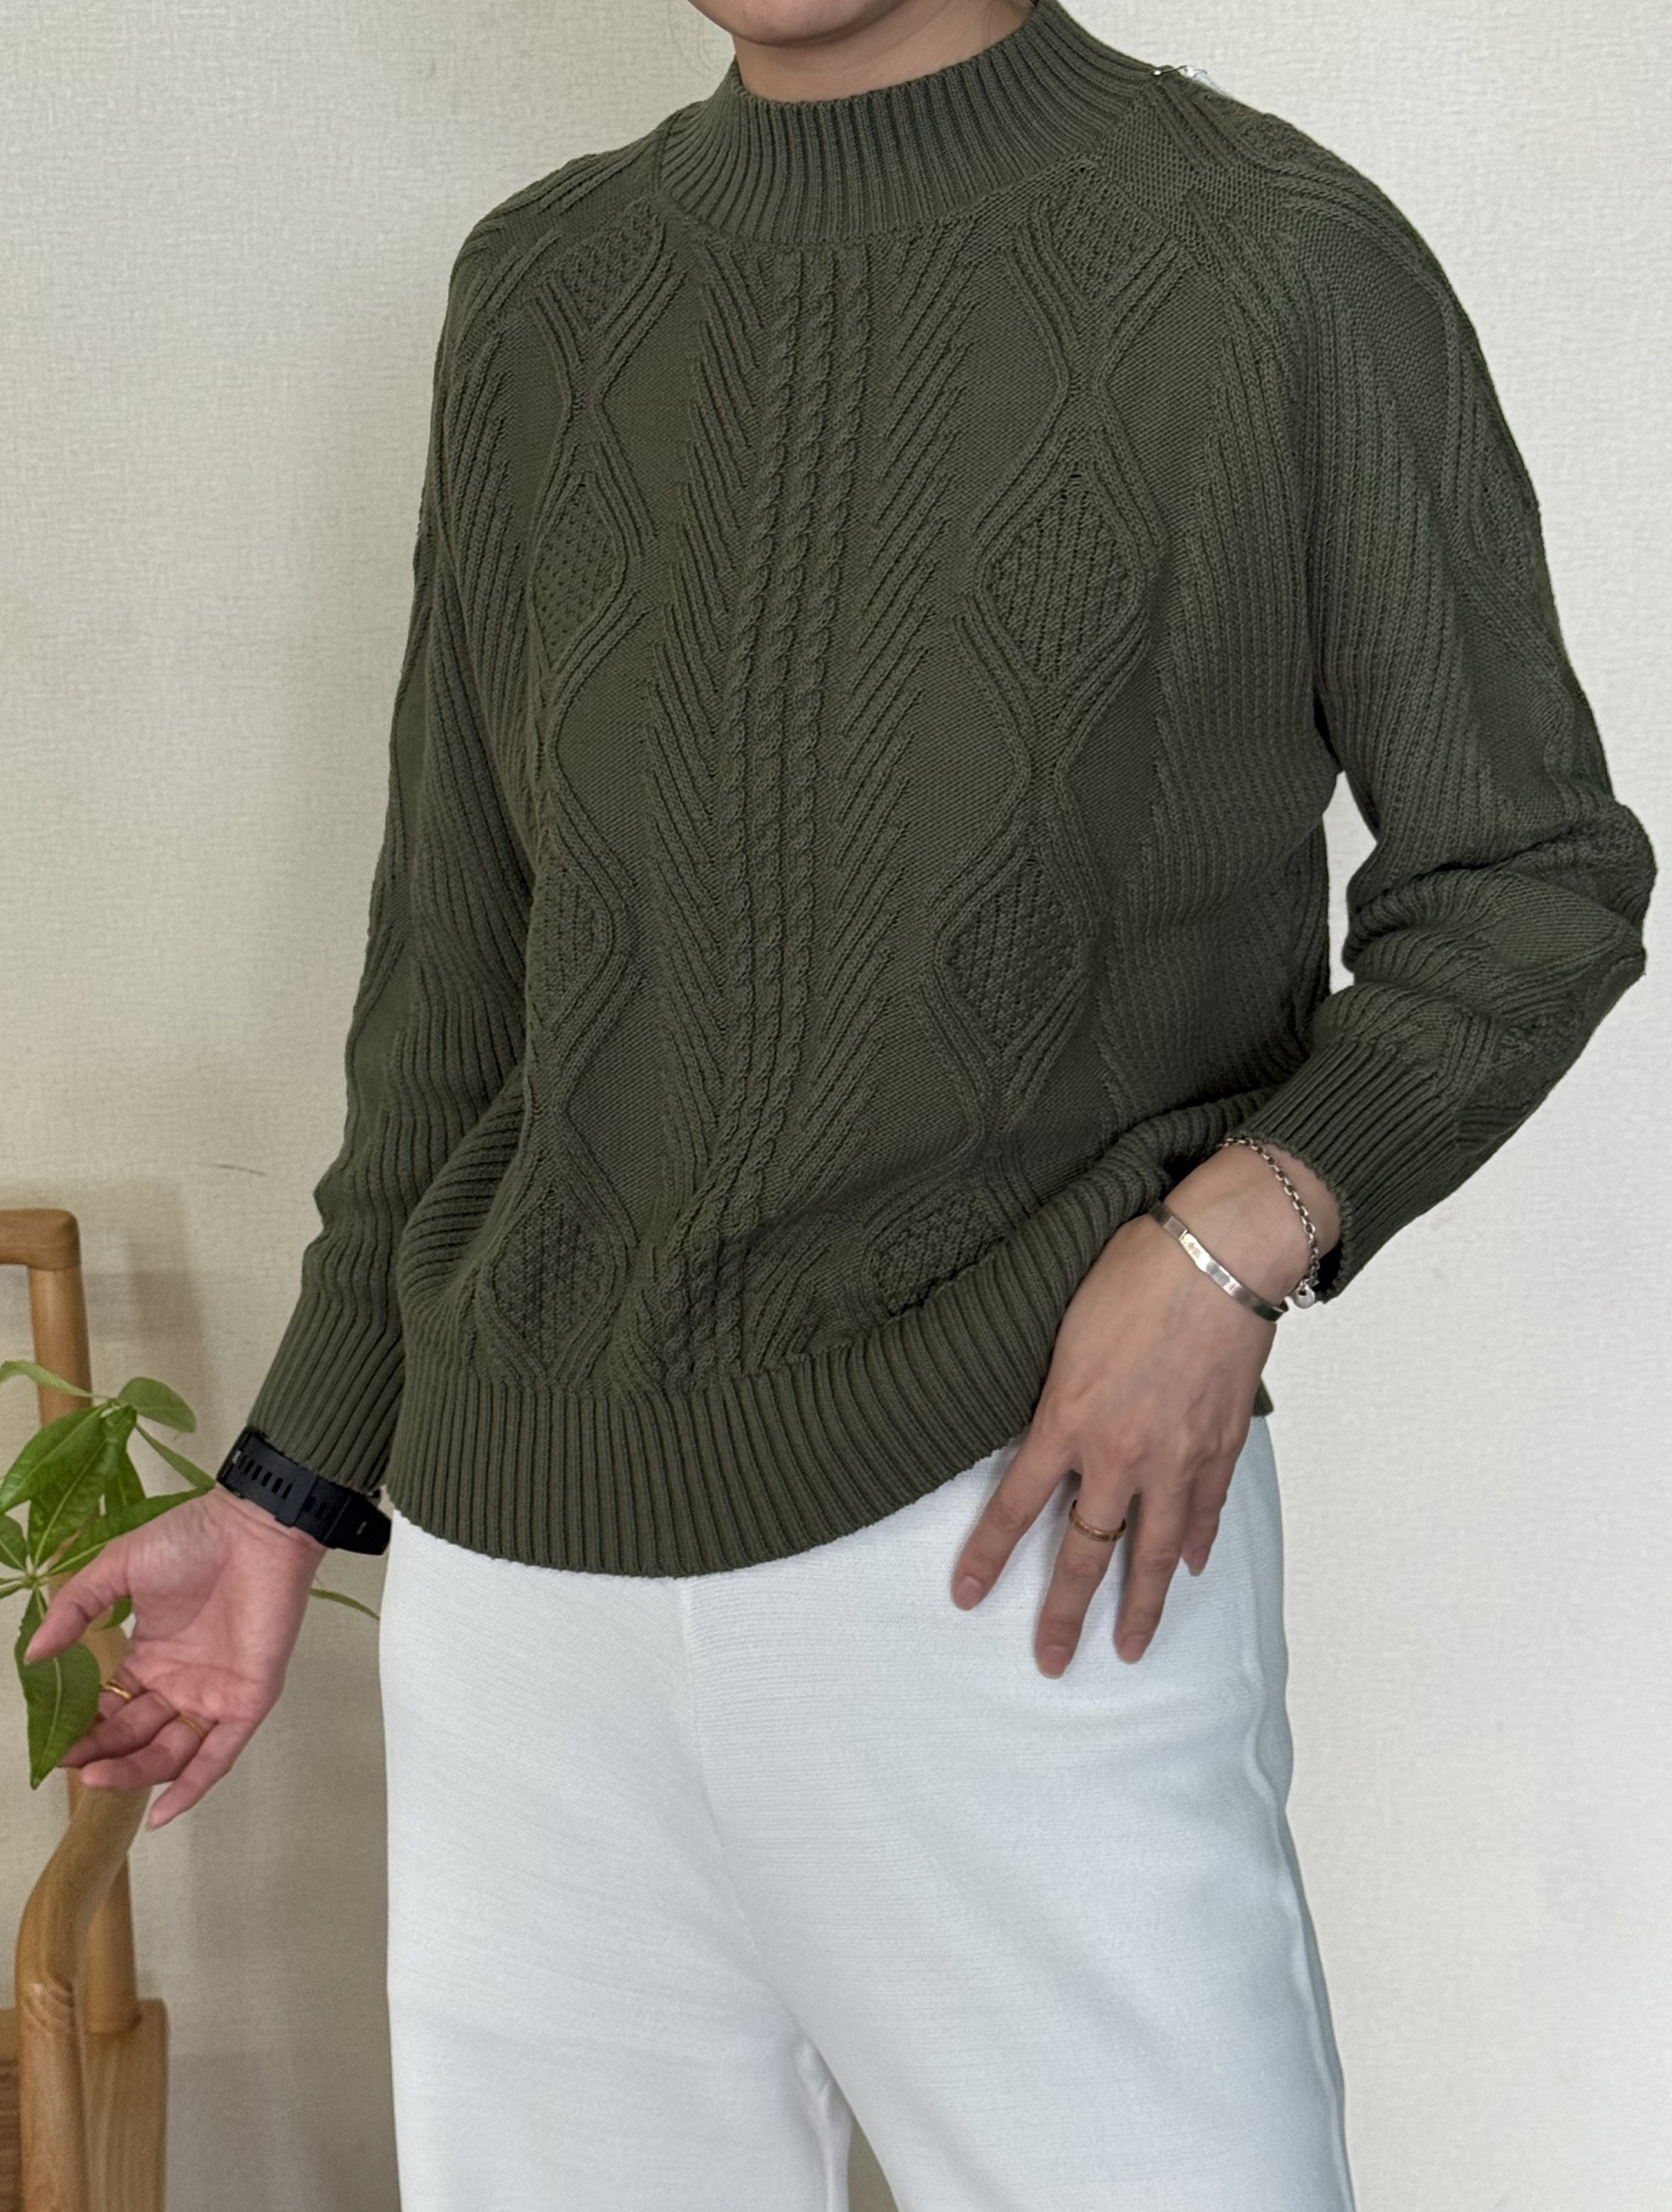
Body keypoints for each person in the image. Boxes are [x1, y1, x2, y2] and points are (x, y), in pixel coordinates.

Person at [27, 1, 1655, 2204]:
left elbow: (1532, 876)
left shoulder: (1278, 263)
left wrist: (1234, 1243)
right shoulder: (544, 292)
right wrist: (288, 1492)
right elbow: (456, 994)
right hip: (525, 1598)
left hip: (1021, 1536)